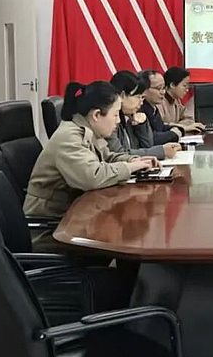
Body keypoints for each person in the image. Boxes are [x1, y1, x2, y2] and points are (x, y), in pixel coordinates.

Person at [24, 80, 158, 250]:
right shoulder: (69, 138)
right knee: (122, 237)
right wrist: (129, 168)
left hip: (74, 220)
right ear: (96, 115)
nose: (118, 121)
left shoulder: (88, 130)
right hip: (52, 232)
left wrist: (133, 161)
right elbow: (92, 176)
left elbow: (107, 157)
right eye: (115, 115)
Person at [107, 70, 181, 160]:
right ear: (122, 96)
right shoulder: (110, 121)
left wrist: (142, 125)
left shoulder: (129, 117)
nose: (141, 103)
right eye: (138, 97)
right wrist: (162, 151)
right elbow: (120, 154)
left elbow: (147, 145)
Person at [139, 69, 183, 145]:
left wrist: (176, 129)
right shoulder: (139, 110)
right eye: (158, 88)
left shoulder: (153, 108)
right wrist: (173, 134)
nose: (163, 92)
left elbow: (161, 128)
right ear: (144, 90)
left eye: (164, 88)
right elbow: (151, 138)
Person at [158, 67, 205, 133]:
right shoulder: (159, 101)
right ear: (172, 85)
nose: (187, 90)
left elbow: (189, 119)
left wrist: (178, 126)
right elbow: (160, 126)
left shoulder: (176, 100)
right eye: (184, 86)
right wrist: (182, 127)